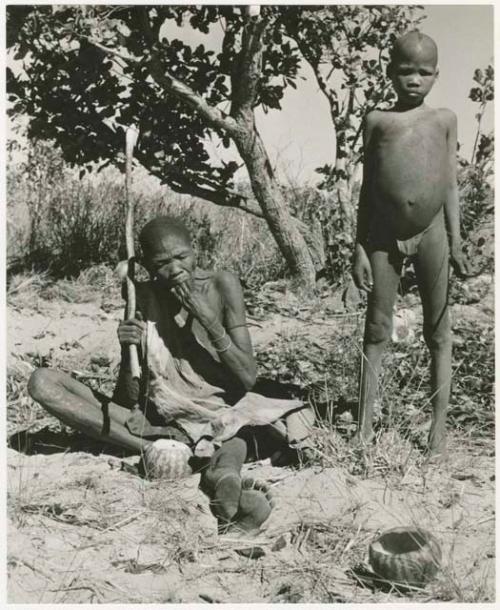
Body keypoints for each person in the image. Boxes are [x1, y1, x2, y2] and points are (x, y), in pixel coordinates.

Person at [28, 216, 314, 534]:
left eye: (182, 257)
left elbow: (247, 377)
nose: (175, 268)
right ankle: (151, 450)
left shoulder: (222, 285)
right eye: (163, 263)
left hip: (223, 416)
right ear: (148, 265)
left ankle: (229, 496)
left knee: (231, 445)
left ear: (196, 251)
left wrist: (206, 318)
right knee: (42, 382)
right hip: (160, 425)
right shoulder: (141, 296)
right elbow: (128, 398)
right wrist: (128, 348)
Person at [352, 31, 469, 456]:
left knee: (438, 333)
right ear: (389, 73)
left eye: (423, 72)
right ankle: (364, 432)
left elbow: (451, 186)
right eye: (405, 71)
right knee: (376, 330)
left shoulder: (445, 120)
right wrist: (359, 246)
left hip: (433, 234)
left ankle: (437, 436)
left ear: (437, 75)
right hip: (383, 236)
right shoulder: (377, 121)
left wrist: (456, 242)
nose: (413, 80)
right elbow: (367, 188)